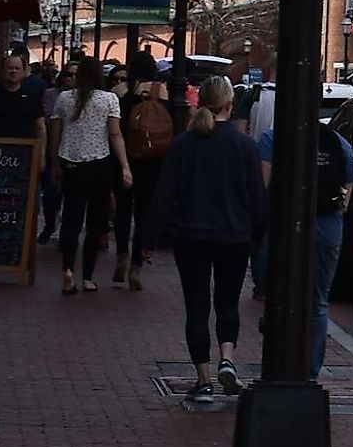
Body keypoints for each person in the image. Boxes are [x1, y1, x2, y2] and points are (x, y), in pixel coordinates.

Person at [151, 76, 267, 405]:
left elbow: (164, 194)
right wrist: (257, 234)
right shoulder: (245, 145)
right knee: (227, 302)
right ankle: (227, 357)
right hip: (233, 236)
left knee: (197, 307)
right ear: (230, 104)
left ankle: (202, 379)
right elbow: (257, 198)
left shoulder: (185, 143)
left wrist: (148, 238)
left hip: (192, 235)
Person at [259, 107, 353, 376]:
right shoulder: (337, 142)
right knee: (318, 302)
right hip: (328, 227)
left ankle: (278, 364)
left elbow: (264, 186)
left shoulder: (272, 138)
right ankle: (311, 372)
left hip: (285, 226)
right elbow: (348, 189)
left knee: (280, 293)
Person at [50, 57, 131, 295]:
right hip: (99, 165)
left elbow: (55, 134)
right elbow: (115, 135)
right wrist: (125, 166)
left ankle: (67, 271)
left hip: (71, 163)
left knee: (71, 221)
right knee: (95, 224)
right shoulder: (109, 100)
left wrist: (54, 163)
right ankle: (87, 277)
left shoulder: (64, 98)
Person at [112, 63, 178, 289]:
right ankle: (136, 266)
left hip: (126, 159)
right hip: (153, 161)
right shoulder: (164, 93)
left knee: (122, 209)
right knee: (143, 212)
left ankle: (121, 253)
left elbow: (114, 128)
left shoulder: (122, 93)